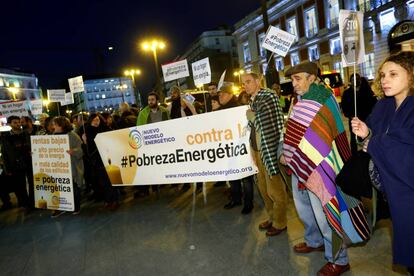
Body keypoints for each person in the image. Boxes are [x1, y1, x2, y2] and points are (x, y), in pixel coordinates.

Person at [281, 61, 370, 275]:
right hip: (300, 162)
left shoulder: (322, 98)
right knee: (304, 208)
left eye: (298, 78)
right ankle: (314, 241)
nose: (293, 83)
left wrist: (292, 152)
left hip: (319, 166)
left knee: (325, 213)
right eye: (292, 79)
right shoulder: (301, 98)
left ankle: (339, 259)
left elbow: (325, 133)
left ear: (312, 78)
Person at [351, 51, 414, 274]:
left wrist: (376, 143)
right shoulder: (384, 106)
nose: (385, 80)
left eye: (393, 74)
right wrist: (366, 132)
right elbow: (377, 136)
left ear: (412, 75)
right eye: (383, 75)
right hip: (392, 190)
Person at [241, 72, 288, 236]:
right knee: (263, 189)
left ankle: (280, 222)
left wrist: (250, 114)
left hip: (269, 149)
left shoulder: (269, 96)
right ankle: (272, 217)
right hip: (257, 150)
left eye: (248, 81)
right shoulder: (252, 99)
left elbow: (262, 121)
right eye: (243, 83)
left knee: (275, 190)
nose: (245, 85)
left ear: (258, 81)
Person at [217, 84, 254, 214]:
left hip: (241, 148)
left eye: (223, 93)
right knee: (232, 175)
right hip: (228, 149)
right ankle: (236, 199)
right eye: (219, 94)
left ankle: (248, 203)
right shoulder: (220, 111)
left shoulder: (239, 109)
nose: (220, 96)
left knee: (246, 177)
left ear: (230, 95)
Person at [82, 113, 119, 209]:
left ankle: (114, 200)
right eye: (94, 120)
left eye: (97, 120)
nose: (96, 122)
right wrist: (85, 142)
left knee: (110, 180)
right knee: (102, 181)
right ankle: (107, 200)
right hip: (96, 160)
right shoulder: (87, 132)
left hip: (108, 157)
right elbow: (87, 151)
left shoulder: (105, 129)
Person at [136, 92, 170, 197]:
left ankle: (164, 181)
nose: (150, 102)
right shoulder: (143, 113)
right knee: (153, 165)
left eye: (152, 100)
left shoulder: (164, 111)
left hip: (163, 143)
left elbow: (170, 125)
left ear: (157, 101)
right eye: (149, 100)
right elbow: (138, 128)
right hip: (150, 145)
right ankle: (154, 186)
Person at [50, 116, 84, 217]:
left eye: (55, 124)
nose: (53, 126)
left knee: (73, 188)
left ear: (61, 125)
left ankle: (75, 206)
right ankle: (60, 207)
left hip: (71, 167)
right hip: (58, 168)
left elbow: (81, 150)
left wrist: (74, 151)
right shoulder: (52, 136)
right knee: (59, 188)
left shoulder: (73, 136)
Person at [341, 73, 377, 154]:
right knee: (354, 138)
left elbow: (372, 103)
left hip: (366, 118)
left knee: (367, 136)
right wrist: (350, 115)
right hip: (354, 119)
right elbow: (344, 106)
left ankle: (368, 152)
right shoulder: (347, 93)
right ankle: (353, 154)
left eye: (357, 79)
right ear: (350, 81)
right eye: (353, 79)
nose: (355, 81)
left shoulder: (367, 91)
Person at [1, 116, 31, 209]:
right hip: (16, 165)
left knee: (32, 182)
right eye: (15, 122)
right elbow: (5, 154)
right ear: (9, 124)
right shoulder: (6, 137)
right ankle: (25, 203)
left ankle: (33, 201)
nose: (18, 124)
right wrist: (7, 169)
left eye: (18, 122)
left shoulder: (26, 134)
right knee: (20, 186)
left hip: (29, 162)